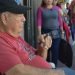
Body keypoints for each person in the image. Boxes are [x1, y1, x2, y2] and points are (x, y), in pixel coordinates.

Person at [0, 0, 75, 75]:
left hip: (48, 69)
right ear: (5, 18)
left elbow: (39, 57)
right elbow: (17, 71)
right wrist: (55, 73)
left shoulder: (16, 37)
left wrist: (44, 47)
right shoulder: (2, 42)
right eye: (20, 15)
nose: (24, 19)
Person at [37, 0, 63, 66]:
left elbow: (60, 19)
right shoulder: (40, 9)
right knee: (46, 52)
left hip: (56, 33)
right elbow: (39, 21)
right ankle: (47, 67)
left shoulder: (57, 8)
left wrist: (61, 29)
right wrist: (39, 34)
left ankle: (54, 68)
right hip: (45, 33)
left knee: (55, 51)